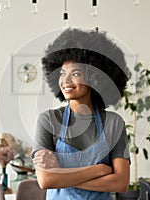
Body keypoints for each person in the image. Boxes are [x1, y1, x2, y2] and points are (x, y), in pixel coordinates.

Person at [31, 28, 131, 200]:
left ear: (95, 77)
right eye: (62, 74)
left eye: (75, 73)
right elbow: (46, 180)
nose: (66, 81)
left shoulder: (114, 123)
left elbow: (120, 183)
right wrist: (98, 170)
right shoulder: (48, 121)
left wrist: (62, 175)